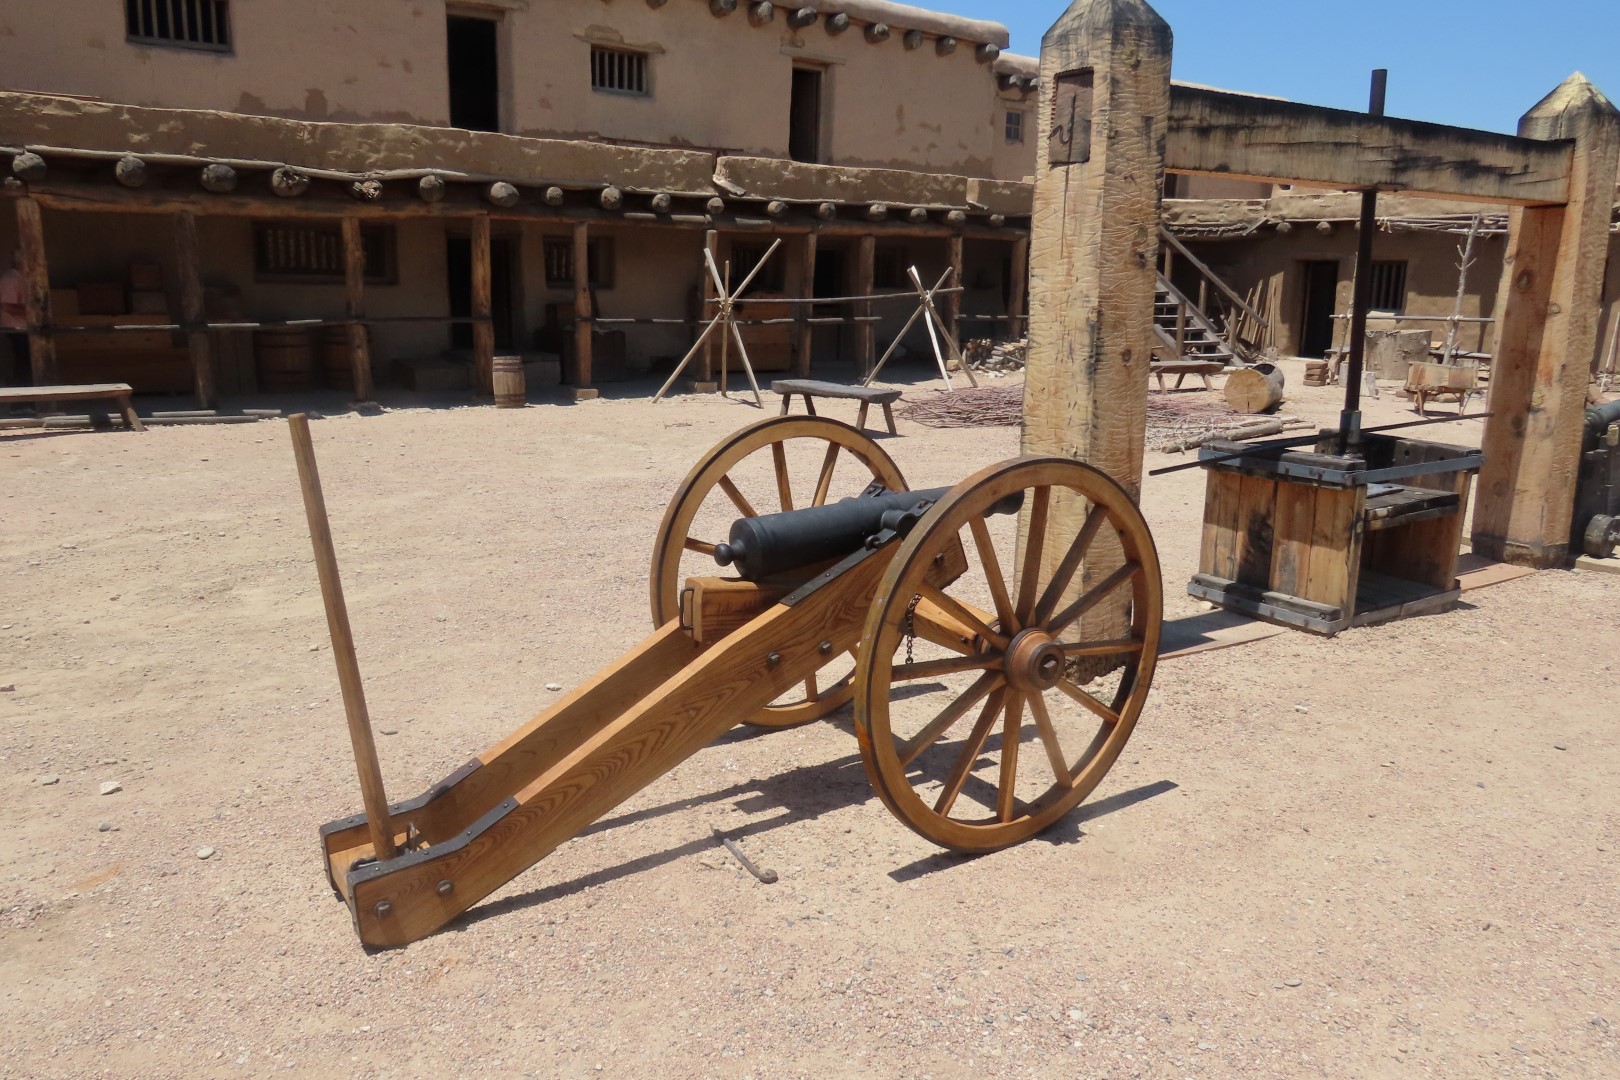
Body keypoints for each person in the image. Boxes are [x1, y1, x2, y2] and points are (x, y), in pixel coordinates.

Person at [0, 250, 28, 385]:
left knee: (26, 364)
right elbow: (6, 306)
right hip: (16, 329)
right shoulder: (11, 279)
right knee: (23, 365)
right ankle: (20, 404)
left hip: (23, 328)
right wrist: (32, 312)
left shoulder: (20, 278)